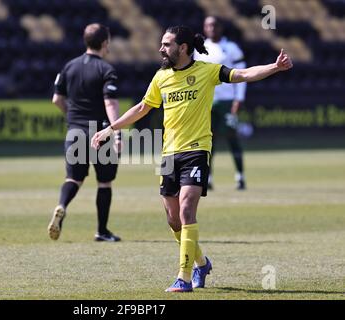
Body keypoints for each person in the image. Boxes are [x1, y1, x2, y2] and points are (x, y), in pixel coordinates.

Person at [91, 25, 292, 292]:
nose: (161, 48)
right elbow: (142, 108)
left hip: (197, 149)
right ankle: (202, 263)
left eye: (166, 44)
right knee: (173, 220)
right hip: (168, 153)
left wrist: (274, 67)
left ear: (183, 48)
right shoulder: (161, 77)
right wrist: (110, 128)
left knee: (186, 210)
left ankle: (183, 278)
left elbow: (242, 74)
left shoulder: (208, 71)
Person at [49, 23, 122, 242]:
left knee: (73, 178)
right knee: (104, 182)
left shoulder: (69, 67)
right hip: (99, 133)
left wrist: (71, 117)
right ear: (104, 43)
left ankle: (62, 205)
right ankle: (102, 231)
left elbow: (56, 99)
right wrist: (116, 132)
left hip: (74, 130)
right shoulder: (106, 70)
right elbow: (110, 103)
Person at [194, 16, 247, 190]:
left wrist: (238, 98)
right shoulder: (200, 49)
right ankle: (207, 178)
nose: (211, 28)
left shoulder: (231, 48)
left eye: (214, 25)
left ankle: (240, 177)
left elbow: (242, 75)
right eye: (207, 25)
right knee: (208, 141)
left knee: (232, 139)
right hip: (207, 102)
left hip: (227, 101)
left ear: (221, 27)